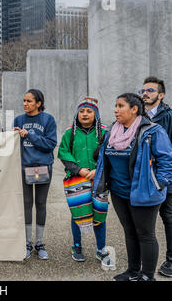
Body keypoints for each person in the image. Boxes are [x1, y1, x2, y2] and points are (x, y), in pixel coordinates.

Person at [93, 93, 172, 281]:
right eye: (115, 105)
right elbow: (101, 156)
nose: (115, 109)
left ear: (134, 109)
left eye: (120, 106)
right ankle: (132, 271)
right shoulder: (113, 131)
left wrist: (158, 184)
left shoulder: (152, 131)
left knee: (145, 234)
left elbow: (169, 161)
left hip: (144, 193)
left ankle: (147, 276)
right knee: (130, 232)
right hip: (119, 192)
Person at [139, 77, 172, 277]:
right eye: (143, 90)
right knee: (142, 220)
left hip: (164, 180)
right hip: (142, 180)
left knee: (168, 217)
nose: (145, 93)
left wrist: (163, 174)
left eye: (150, 90)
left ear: (161, 94)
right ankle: (143, 258)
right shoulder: (138, 116)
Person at [58, 97, 109, 263]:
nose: (85, 114)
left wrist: (97, 170)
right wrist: (78, 170)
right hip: (76, 180)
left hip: (99, 179)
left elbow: (109, 153)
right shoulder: (69, 132)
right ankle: (77, 245)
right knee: (78, 214)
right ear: (77, 114)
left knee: (99, 213)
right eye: (81, 111)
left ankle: (101, 248)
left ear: (96, 114)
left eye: (89, 111)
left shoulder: (104, 132)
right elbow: (63, 153)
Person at [13, 89, 57, 260]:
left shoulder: (48, 119)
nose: (25, 104)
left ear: (38, 103)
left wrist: (29, 134)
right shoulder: (18, 120)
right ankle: (26, 243)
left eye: (29, 101)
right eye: (24, 100)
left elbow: (50, 143)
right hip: (24, 167)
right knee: (25, 204)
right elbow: (13, 145)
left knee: (40, 203)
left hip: (43, 167)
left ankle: (39, 243)